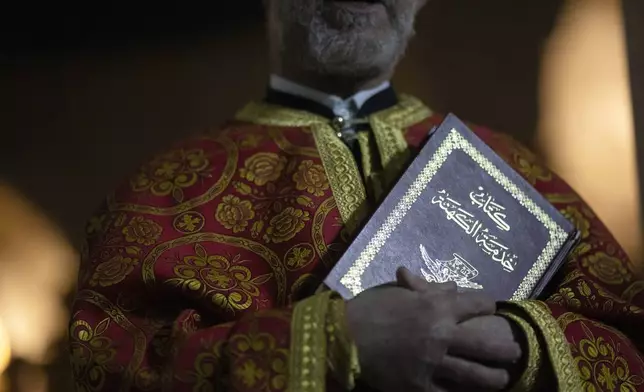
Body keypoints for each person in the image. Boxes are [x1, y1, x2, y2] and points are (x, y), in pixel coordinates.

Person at [69, 0, 644, 391]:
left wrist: (515, 342)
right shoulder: (168, 188)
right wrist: (337, 344)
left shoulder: (516, 167)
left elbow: (630, 345)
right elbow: (113, 365)